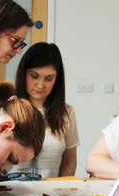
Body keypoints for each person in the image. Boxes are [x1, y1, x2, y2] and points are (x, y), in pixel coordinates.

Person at [10, 42, 80, 178]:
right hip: (10, 193)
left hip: (51, 194)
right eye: (34, 76)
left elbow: (69, 160)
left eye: (49, 79)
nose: (40, 85)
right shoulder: (6, 108)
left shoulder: (66, 112)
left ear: (57, 80)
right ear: (23, 73)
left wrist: (62, 190)